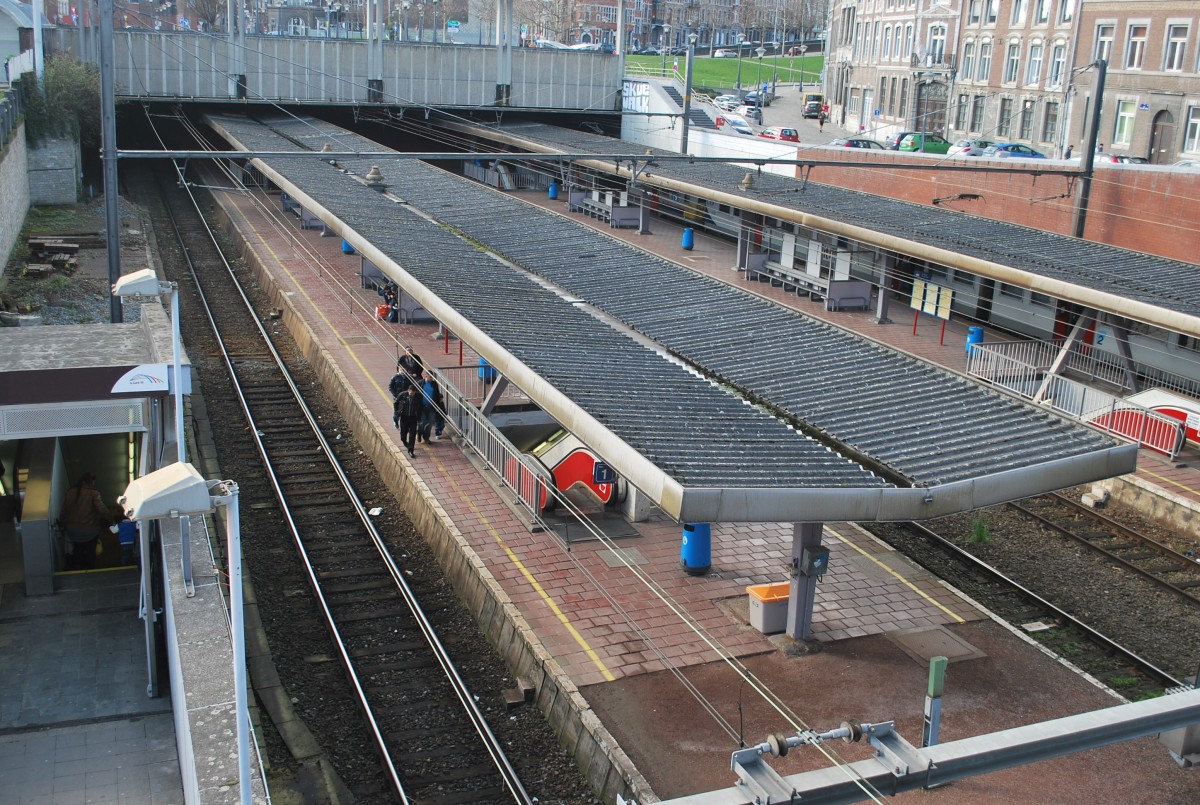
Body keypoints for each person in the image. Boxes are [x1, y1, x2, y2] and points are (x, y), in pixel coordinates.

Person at [59, 473, 110, 570]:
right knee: (90, 552)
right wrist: (111, 520)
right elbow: (101, 509)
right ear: (91, 482)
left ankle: (79, 569)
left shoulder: (70, 492)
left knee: (78, 550)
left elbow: (64, 510)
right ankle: (90, 570)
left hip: (73, 530)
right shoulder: (93, 492)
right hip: (91, 530)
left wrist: (62, 523)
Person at [418, 370, 444, 443]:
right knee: (422, 423)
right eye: (430, 377)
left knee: (429, 423)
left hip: (431, 407)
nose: (431, 379)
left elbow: (437, 394)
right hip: (422, 407)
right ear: (426, 377)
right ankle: (419, 434)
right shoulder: (420, 383)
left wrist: (437, 406)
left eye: (432, 377)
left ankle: (426, 438)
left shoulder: (434, 384)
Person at [395, 385, 421, 457]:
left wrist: (419, 415)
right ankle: (405, 442)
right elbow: (396, 403)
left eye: (413, 393)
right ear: (408, 391)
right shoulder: (402, 395)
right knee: (403, 435)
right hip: (404, 417)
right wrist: (397, 412)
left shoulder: (418, 396)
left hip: (413, 418)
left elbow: (421, 406)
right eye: (410, 393)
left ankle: (411, 450)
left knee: (412, 435)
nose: (412, 395)